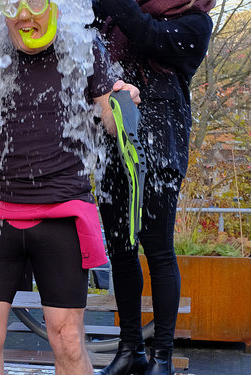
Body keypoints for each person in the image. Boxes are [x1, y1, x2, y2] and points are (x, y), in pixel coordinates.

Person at [0, 1, 140, 374]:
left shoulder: (82, 45)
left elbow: (107, 118)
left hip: (63, 211)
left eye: (33, 3)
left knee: (67, 338)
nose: (22, 15)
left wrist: (121, 105)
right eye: (11, 4)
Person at [91, 1, 215, 374]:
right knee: (120, 249)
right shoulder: (119, 16)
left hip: (161, 144)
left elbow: (148, 36)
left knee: (157, 248)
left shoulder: (196, 24)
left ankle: (161, 356)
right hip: (113, 140)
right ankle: (131, 349)